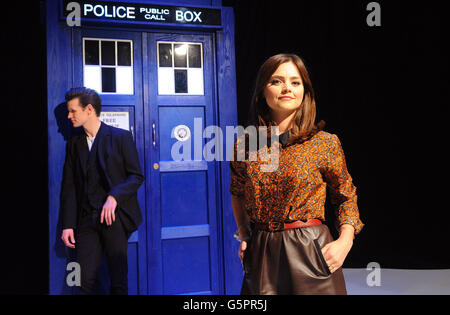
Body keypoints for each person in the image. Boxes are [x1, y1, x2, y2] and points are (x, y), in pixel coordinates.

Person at [229, 53, 364, 295]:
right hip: (261, 254)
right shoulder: (244, 145)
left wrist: (345, 241)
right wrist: (245, 234)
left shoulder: (324, 143)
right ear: (262, 91)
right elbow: (237, 192)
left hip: (311, 252)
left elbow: (346, 196)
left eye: (295, 82)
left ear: (304, 92)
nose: (286, 88)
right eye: (276, 81)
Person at [60, 87, 144, 295]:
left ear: (89, 109)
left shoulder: (120, 137)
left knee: (118, 281)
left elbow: (136, 176)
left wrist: (114, 196)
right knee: (82, 279)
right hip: (87, 220)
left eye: (73, 111)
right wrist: (68, 225)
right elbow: (69, 186)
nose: (69, 116)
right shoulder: (74, 143)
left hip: (114, 219)